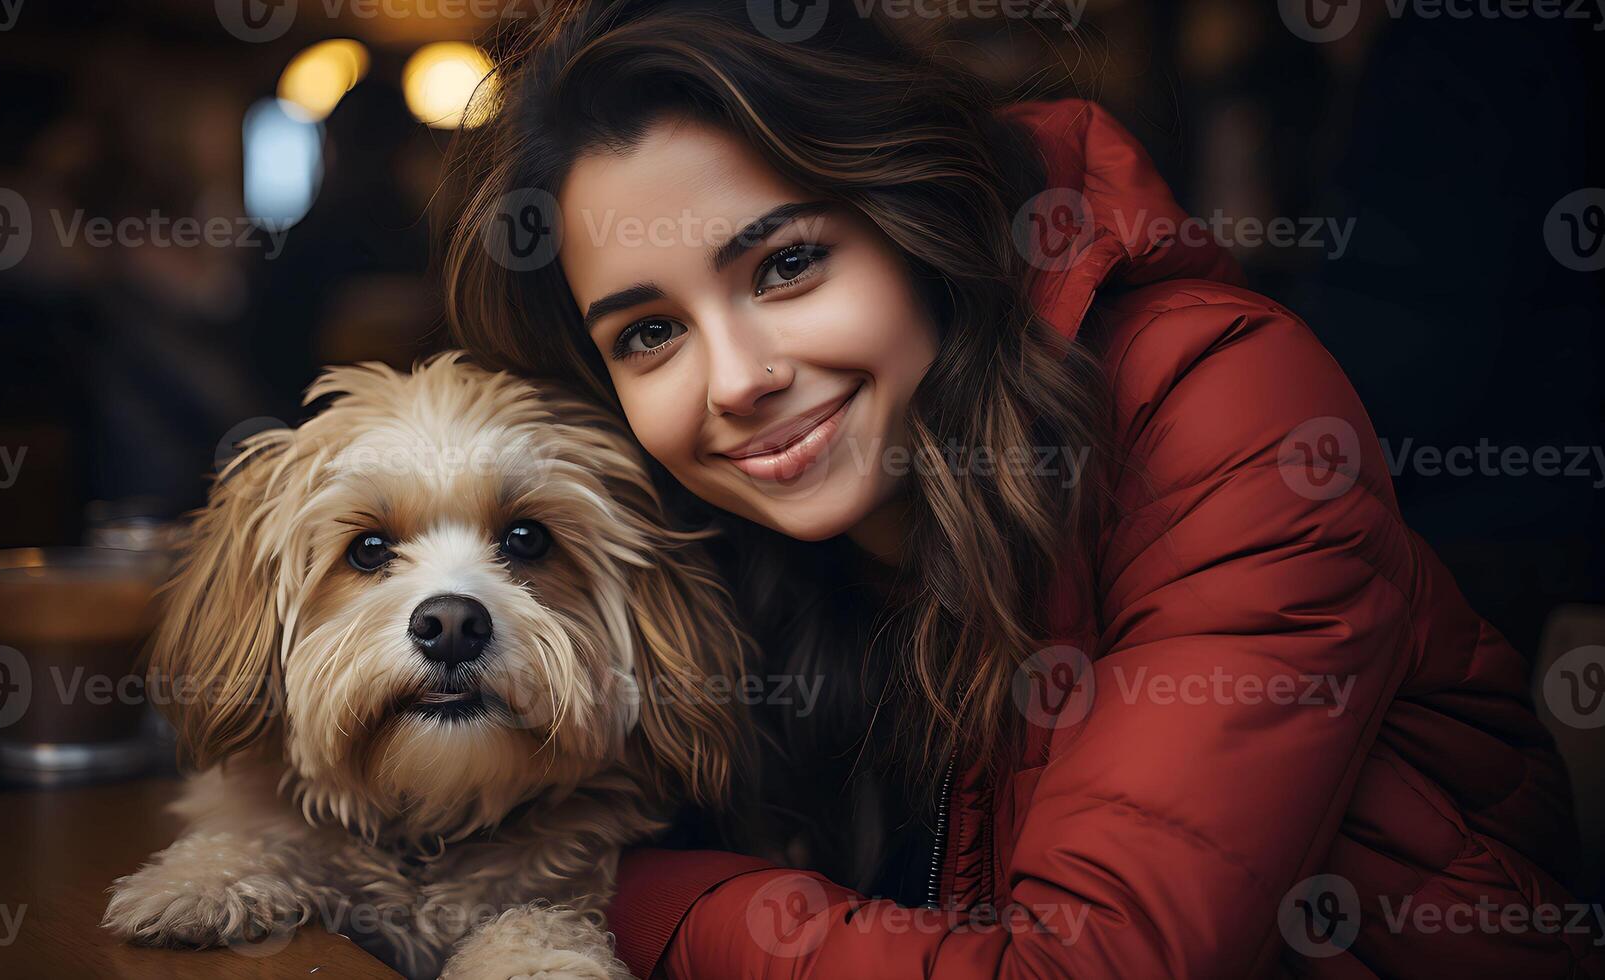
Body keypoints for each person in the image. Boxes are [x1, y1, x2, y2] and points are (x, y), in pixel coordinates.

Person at [437, 1, 1600, 975]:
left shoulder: (1220, 405)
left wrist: (626, 896)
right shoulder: (712, 527)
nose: (737, 381)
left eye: (787, 264)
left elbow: (1087, 967)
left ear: (917, 217)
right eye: (649, 332)